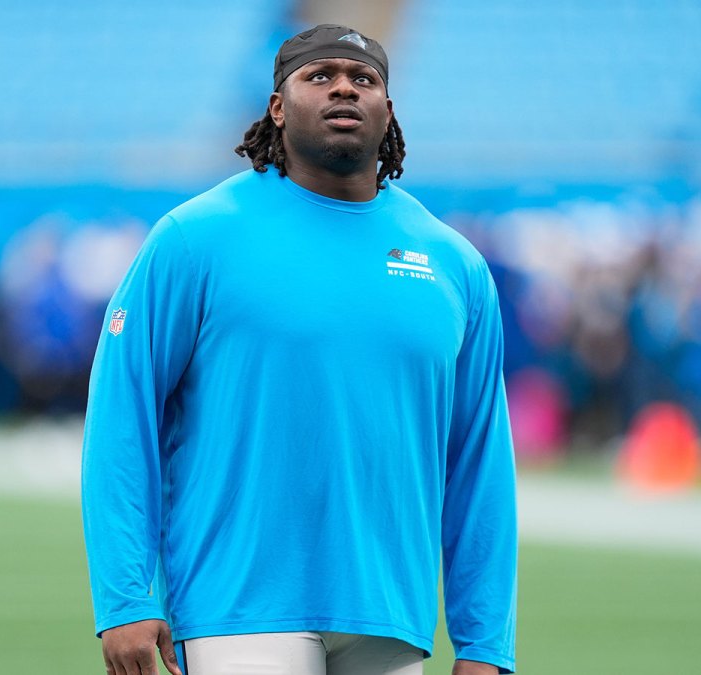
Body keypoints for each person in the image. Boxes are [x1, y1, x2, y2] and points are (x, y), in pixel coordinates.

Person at [82, 24, 517, 675]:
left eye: (363, 78)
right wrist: (124, 596)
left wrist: (485, 643)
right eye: (320, 76)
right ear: (278, 108)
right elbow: (122, 415)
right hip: (240, 608)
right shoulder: (194, 238)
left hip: (389, 619)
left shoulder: (454, 265)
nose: (344, 87)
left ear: (388, 110)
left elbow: (480, 461)